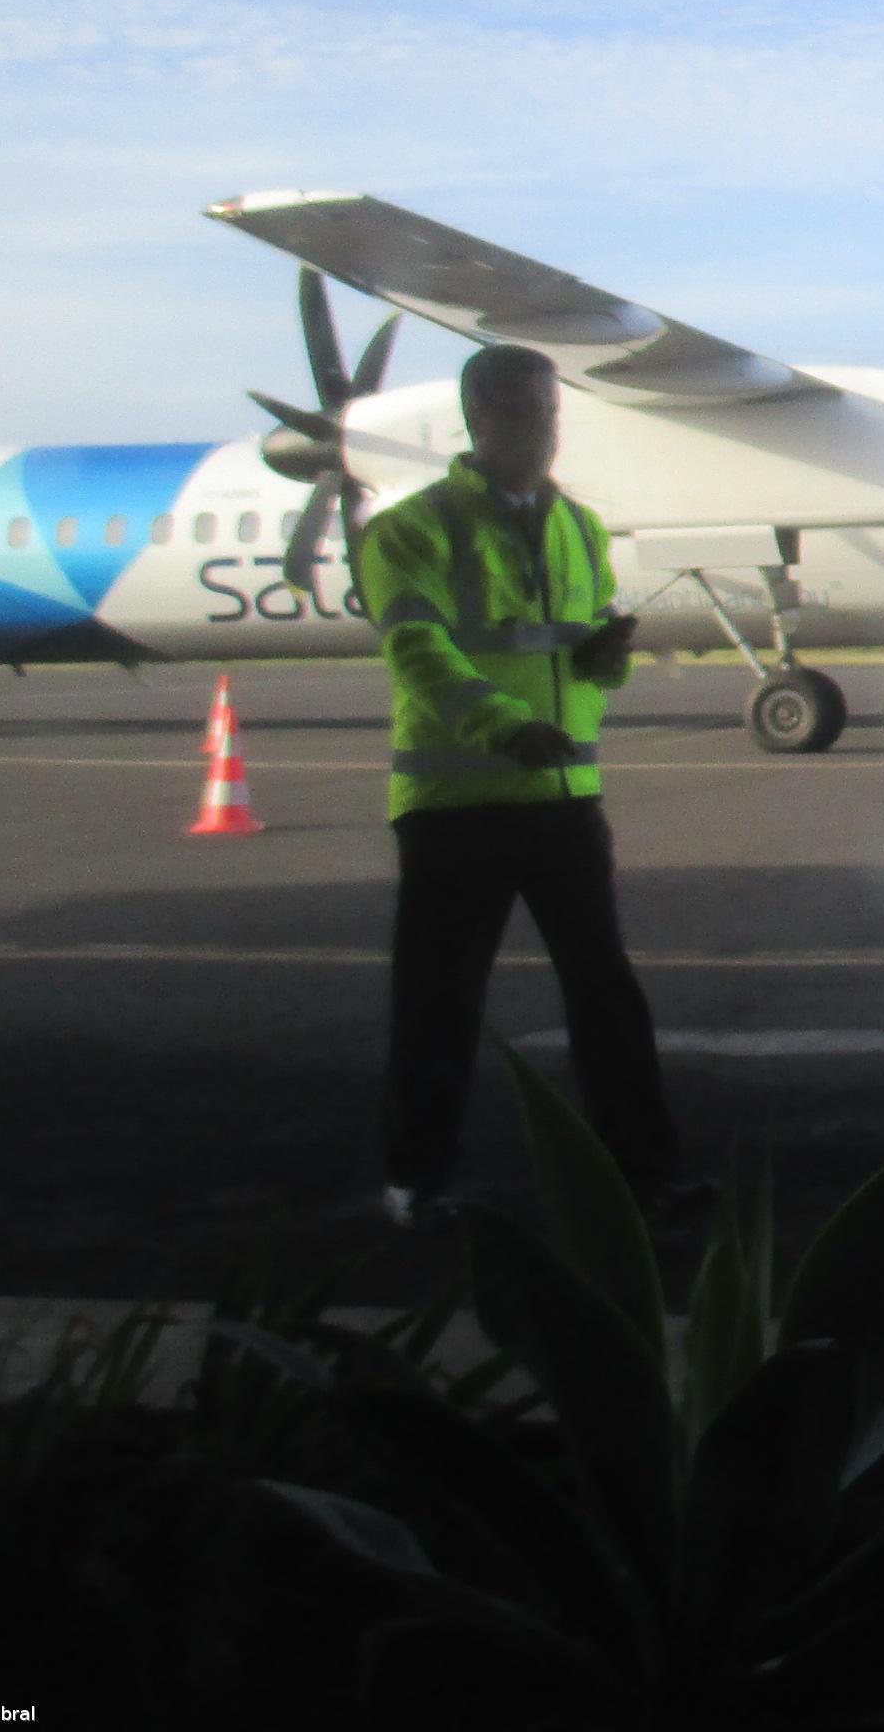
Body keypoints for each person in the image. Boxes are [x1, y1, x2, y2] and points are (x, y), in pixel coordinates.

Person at [354, 343, 705, 1229]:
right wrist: (504, 730)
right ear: (477, 420)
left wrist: (606, 660)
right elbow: (417, 655)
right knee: (438, 1002)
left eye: (549, 413)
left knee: (606, 994)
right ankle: (415, 1181)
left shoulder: (579, 528)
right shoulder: (409, 530)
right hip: (457, 806)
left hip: (563, 801)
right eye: (520, 413)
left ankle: (645, 1172)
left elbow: (580, 662)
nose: (540, 432)